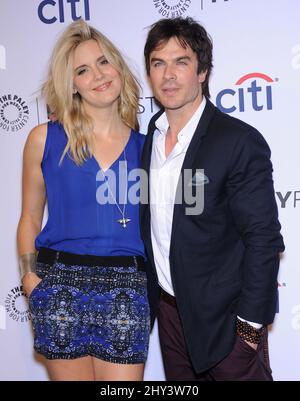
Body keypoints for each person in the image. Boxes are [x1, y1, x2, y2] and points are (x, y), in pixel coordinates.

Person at [141, 17, 285, 381]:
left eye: (181, 61)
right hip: (172, 318)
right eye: (158, 63)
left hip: (227, 324)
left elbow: (263, 239)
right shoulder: (150, 139)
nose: (168, 75)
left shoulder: (237, 141)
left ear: (202, 71)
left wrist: (250, 330)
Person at [17, 19, 150, 381]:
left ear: (119, 67)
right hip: (60, 285)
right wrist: (31, 278)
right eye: (83, 70)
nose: (98, 75)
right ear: (72, 84)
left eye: (104, 62)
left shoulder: (150, 149)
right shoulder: (44, 140)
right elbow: (30, 216)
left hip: (128, 287)